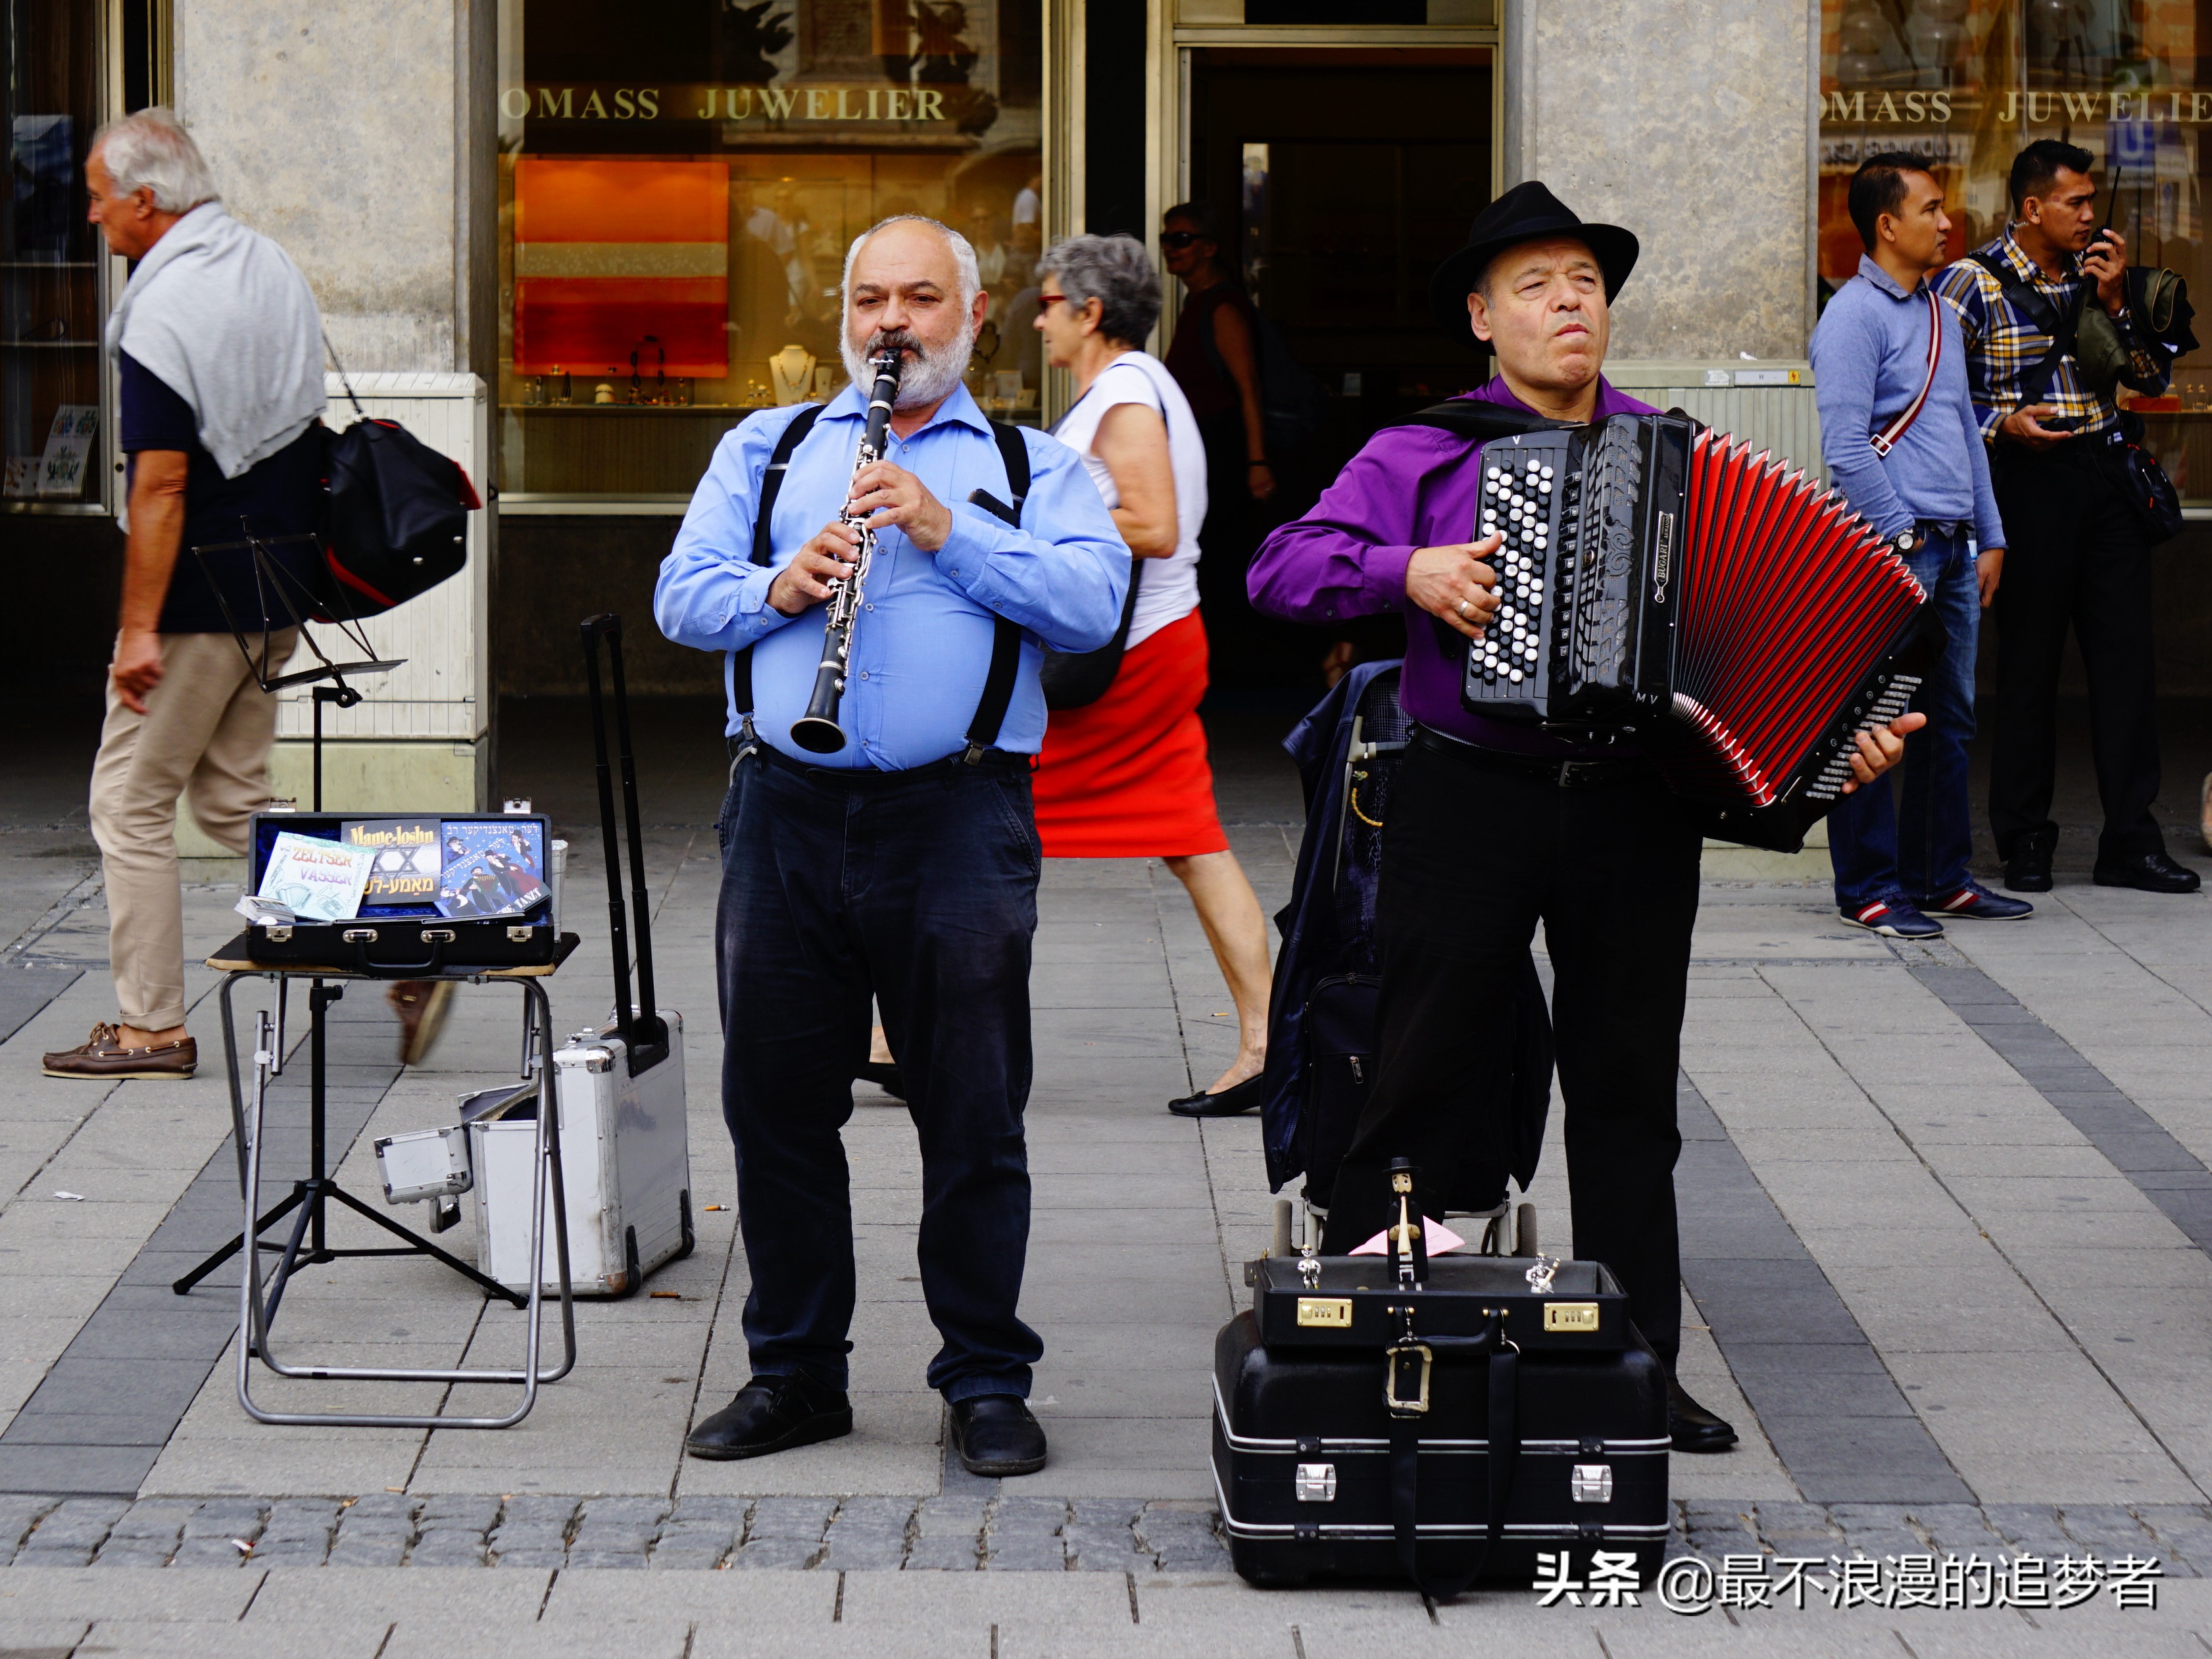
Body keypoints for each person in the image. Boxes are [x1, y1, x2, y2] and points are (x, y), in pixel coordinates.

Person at [1247, 181, 1923, 1453]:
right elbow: (1277, 569)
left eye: (1585, 284)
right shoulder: (1423, 452)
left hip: (1627, 811)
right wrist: (1405, 570)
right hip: (1462, 795)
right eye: (1535, 286)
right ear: (1480, 319)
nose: (1569, 304)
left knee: (1626, 1093)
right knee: (1419, 1074)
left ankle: (1634, 1366)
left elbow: (1755, 649)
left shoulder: (1673, 454)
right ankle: (1365, 1338)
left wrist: (1841, 746)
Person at [654, 215, 1125, 1477]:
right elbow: (678, 594)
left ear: (970, 321)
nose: (891, 323)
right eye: (870, 298)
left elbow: (1090, 605)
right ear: (843, 311)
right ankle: (795, 1373)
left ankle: (982, 1377)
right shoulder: (766, 448)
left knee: (972, 1112)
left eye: (921, 299)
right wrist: (777, 586)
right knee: (777, 1110)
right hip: (784, 814)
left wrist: (942, 527)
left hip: (958, 815)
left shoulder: (1035, 467)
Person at [44, 110, 324, 1083]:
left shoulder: (164, 308)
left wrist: (136, 631)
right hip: (282, 577)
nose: (92, 216)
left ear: (147, 202)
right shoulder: (266, 264)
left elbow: (158, 485)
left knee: (127, 799)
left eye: (98, 198)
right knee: (232, 797)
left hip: (200, 592)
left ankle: (149, 1028)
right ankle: (388, 935)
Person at [1029, 234, 1272, 1116]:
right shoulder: (1140, 386)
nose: (1038, 319)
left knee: (975, 814)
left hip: (1125, 657)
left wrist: (1033, 522)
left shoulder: (1123, 396)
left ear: (1090, 313)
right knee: (1192, 840)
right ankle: (1266, 1041)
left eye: (1049, 302)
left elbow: (1154, 523)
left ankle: (909, 1032)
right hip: (1155, 643)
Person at [1934, 140, 2200, 895]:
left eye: (2091, 201)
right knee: (2028, 667)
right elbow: (1939, 398)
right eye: (2075, 203)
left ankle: (2131, 840)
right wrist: (2003, 426)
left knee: (2126, 664)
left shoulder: (2100, 278)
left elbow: (2151, 381)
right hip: (2028, 483)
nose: (2090, 215)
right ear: (2031, 208)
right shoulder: (1969, 284)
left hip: (2108, 477)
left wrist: (2118, 305)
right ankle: (2023, 839)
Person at [1810, 154, 2031, 937]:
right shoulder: (1852, 317)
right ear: (1886, 226)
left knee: (1949, 719)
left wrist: (1990, 534)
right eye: (1933, 209)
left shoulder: (1939, 310)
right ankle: (1868, 888)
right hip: (1886, 553)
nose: (1947, 224)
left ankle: (1941, 876)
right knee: (1868, 725)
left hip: (1955, 548)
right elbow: (1846, 448)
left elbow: (1963, 434)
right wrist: (1902, 533)